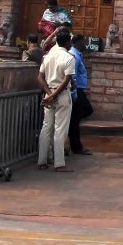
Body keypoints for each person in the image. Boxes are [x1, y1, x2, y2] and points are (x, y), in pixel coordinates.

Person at [37, 28, 76, 172]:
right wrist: (53, 96)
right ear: (67, 42)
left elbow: (40, 77)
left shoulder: (48, 56)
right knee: (60, 130)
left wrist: (49, 95)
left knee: (46, 127)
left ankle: (42, 161)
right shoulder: (69, 58)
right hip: (62, 95)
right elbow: (66, 80)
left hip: (49, 93)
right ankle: (59, 163)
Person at [67, 34, 93, 157]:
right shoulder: (74, 56)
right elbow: (72, 76)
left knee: (87, 110)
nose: (85, 44)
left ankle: (70, 127)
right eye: (83, 42)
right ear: (78, 42)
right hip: (75, 90)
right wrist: (74, 94)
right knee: (75, 120)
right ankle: (76, 147)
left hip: (79, 90)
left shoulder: (78, 54)